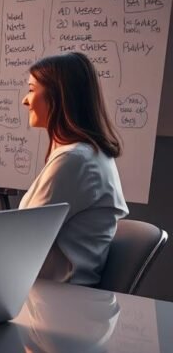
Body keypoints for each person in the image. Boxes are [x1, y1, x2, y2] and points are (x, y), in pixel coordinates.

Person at [20, 51, 128, 285]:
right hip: (55, 295)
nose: (25, 100)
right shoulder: (92, 154)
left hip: (57, 300)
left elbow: (22, 239)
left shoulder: (74, 161)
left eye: (31, 89)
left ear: (57, 96)